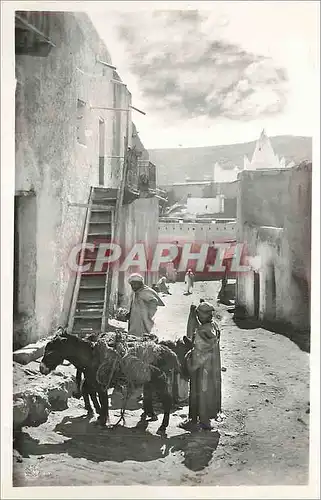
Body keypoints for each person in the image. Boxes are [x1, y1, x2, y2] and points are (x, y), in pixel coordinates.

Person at [179, 300, 222, 431]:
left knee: (200, 391)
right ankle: (203, 419)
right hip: (212, 365)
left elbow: (199, 348)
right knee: (208, 390)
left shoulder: (204, 331)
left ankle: (200, 421)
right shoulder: (213, 326)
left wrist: (189, 352)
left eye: (198, 315)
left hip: (203, 366)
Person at [127, 273, 165, 337]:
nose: (133, 286)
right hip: (135, 319)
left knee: (143, 336)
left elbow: (154, 302)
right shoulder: (136, 292)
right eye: (132, 285)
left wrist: (147, 314)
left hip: (144, 320)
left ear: (140, 283)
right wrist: (130, 313)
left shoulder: (146, 291)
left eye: (135, 284)